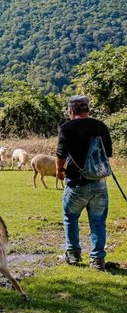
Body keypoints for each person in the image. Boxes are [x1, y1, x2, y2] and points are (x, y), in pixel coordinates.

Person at [56, 96, 112, 271]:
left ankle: (73, 255)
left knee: (70, 218)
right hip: (99, 182)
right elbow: (107, 154)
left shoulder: (67, 127)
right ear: (87, 109)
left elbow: (61, 153)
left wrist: (59, 170)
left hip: (76, 183)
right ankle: (97, 260)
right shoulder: (100, 126)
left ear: (71, 111)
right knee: (98, 222)